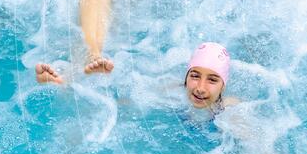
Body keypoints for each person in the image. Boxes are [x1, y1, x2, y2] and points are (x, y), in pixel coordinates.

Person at [36, 42, 236, 114]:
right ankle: (63, 83)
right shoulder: (173, 93)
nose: (200, 87)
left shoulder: (231, 111)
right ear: (186, 77)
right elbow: (124, 105)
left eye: (212, 80)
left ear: (223, 86)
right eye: (194, 76)